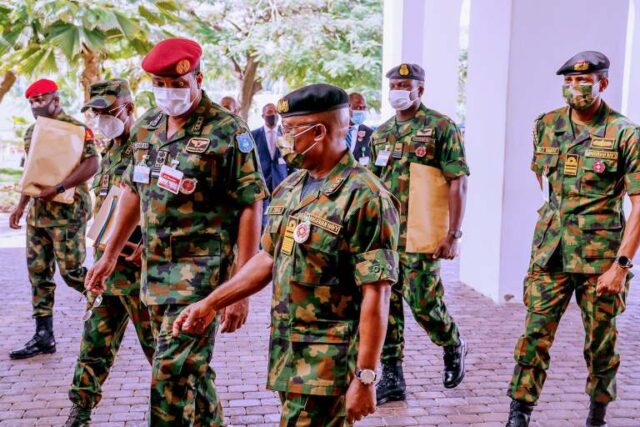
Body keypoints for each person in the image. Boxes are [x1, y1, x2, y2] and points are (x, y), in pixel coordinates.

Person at [172, 83, 401, 426]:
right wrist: (211, 303)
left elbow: (377, 294)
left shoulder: (366, 197)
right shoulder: (291, 187)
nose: (283, 137)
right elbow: (267, 258)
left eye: (291, 130)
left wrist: (366, 377)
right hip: (288, 353)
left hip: (328, 360)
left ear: (319, 131)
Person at [84, 38, 268, 427]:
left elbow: (250, 204)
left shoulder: (227, 131)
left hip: (201, 276)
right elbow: (134, 192)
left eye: (176, 83)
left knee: (168, 373)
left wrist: (242, 285)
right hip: (152, 274)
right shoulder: (147, 127)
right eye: (160, 84)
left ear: (197, 79)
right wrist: (110, 254)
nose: (168, 92)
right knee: (190, 373)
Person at [506, 51, 640, 427]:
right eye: (568, 82)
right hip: (551, 254)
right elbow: (544, 179)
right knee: (534, 335)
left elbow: (639, 203)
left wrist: (622, 266)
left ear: (603, 83)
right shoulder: (546, 125)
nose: (575, 88)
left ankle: (597, 412)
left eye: (583, 81)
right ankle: (519, 413)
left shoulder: (624, 133)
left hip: (602, 259)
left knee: (600, 344)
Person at [368, 63, 469, 404]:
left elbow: (458, 181)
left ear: (420, 90)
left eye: (405, 84)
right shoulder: (380, 134)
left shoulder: (441, 127)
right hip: (384, 237)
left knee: (424, 304)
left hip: (421, 235)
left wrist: (453, 234)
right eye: (394, 84)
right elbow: (371, 186)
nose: (398, 89)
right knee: (386, 307)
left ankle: (452, 342)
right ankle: (392, 376)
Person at [64, 78, 156, 427]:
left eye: (108, 112)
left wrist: (147, 243)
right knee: (94, 345)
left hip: (141, 272)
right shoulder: (111, 151)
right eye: (96, 114)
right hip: (107, 272)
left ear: (129, 109)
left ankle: (173, 412)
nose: (101, 120)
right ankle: (81, 411)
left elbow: (162, 206)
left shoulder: (148, 148)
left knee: (159, 352)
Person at [9, 79, 99, 360]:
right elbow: (32, 174)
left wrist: (59, 187)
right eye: (32, 101)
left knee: (72, 271)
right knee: (38, 274)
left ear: (55, 99)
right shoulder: (31, 132)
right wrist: (21, 206)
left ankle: (111, 307)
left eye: (41, 99)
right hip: (39, 215)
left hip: (68, 212)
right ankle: (43, 336)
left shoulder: (76, 129)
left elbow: (92, 163)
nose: (37, 105)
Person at [251, 102, 292, 229]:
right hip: (261, 183)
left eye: (275, 112)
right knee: (261, 219)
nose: (273, 115)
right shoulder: (253, 135)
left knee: (279, 219)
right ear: (263, 116)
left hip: (281, 183)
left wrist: (292, 181)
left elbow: (292, 161)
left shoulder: (286, 135)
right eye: (269, 112)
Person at [347, 92, 374, 165]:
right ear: (347, 107)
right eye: (358, 107)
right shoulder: (334, 131)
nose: (361, 111)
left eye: (364, 107)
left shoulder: (370, 133)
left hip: (359, 175)